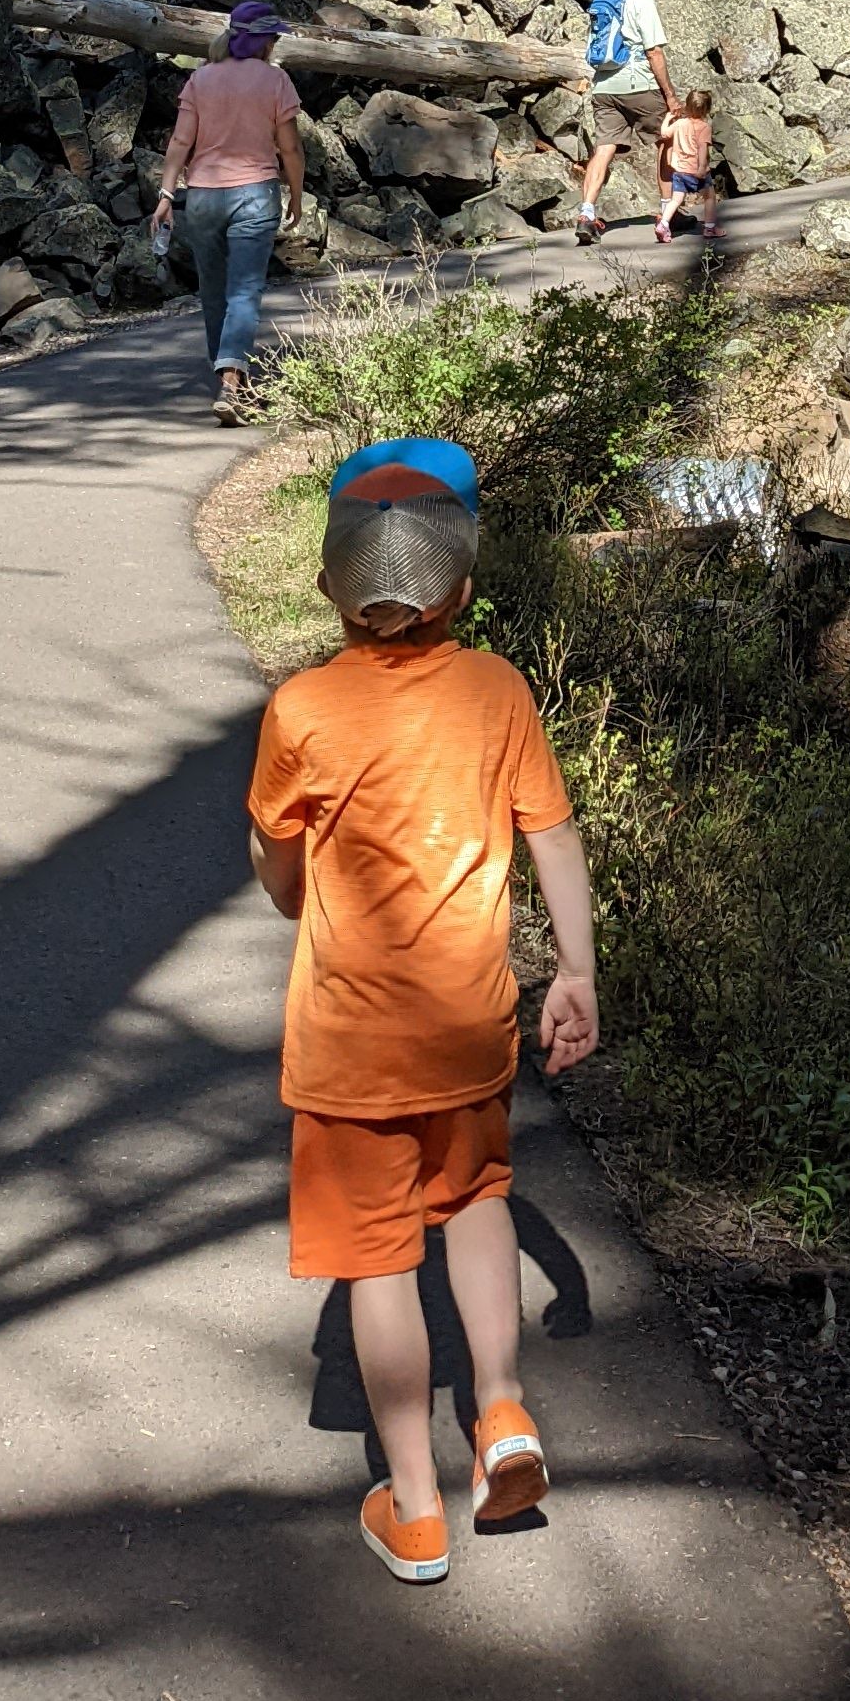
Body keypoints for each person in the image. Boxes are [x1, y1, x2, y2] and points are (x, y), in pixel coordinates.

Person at [247, 436, 599, 1587]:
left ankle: (413, 1505)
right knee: (482, 1199)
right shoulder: (497, 689)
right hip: (472, 1022)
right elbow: (550, 832)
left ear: (326, 586)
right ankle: (501, 1414)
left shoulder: (302, 709)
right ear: (462, 588)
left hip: (351, 1041)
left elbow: (282, 864)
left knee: (379, 1261)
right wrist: (578, 973)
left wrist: (301, 889)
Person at [151, 0, 304, 411]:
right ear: (264, 41)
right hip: (255, 193)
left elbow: (181, 142)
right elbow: (289, 148)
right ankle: (233, 381)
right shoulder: (276, 82)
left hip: (201, 196)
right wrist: (297, 193)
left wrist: (166, 195)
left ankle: (232, 378)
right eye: (273, 37)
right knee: (245, 291)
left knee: (215, 291)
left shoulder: (201, 80)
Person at [572, 0, 677, 246]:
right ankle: (670, 212)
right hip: (639, 85)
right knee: (665, 142)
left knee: (603, 149)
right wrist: (670, 96)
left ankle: (586, 214)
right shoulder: (641, 1)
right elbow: (654, 51)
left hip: (604, 87)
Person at [653, 87, 721, 244]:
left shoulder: (680, 124)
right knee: (709, 197)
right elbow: (703, 149)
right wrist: (702, 168)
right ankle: (710, 228)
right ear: (707, 110)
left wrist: (667, 118)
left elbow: (664, 134)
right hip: (696, 170)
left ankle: (663, 224)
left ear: (687, 106)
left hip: (679, 171)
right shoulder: (704, 127)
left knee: (676, 200)